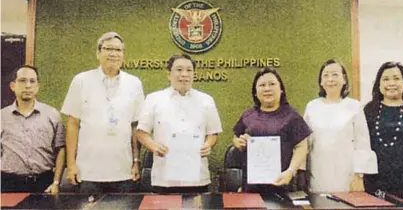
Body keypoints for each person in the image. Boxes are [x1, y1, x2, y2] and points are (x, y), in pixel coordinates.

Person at [61, 32, 144, 193]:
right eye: (108, 49)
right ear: (98, 53)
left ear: (123, 55)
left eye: (118, 50)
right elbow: (72, 124)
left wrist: (136, 161)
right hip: (88, 172)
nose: (114, 54)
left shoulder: (134, 83)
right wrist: (71, 165)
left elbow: (136, 126)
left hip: (124, 172)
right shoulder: (81, 81)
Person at [136, 54, 222, 193]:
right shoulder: (153, 99)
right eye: (179, 69)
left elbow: (213, 133)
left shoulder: (207, 100)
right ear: (169, 74)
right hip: (164, 178)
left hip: (197, 177)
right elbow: (141, 132)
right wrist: (154, 146)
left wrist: (208, 144)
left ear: (194, 74)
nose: (184, 74)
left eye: (189, 70)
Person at [303, 59, 378, 193]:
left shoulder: (354, 106)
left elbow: (363, 144)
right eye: (326, 75)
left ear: (344, 79)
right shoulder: (312, 107)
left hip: (347, 177)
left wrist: (359, 175)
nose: (330, 79)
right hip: (317, 175)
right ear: (320, 81)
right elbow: (305, 144)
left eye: (335, 74)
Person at [232, 67, 310, 193]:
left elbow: (302, 146)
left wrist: (291, 171)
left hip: (282, 185)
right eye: (262, 85)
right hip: (251, 188)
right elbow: (236, 137)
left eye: (272, 84)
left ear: (281, 89)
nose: (267, 88)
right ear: (255, 92)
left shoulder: (292, 116)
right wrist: (238, 143)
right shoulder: (248, 115)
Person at [1, 65, 65, 193]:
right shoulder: (2, 116)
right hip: (8, 183)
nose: (28, 86)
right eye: (22, 81)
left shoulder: (52, 115)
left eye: (32, 81)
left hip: (44, 182)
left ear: (37, 86)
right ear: (13, 86)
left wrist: (56, 182)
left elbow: (61, 150)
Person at [364, 62, 403, 195]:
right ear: (378, 84)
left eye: (396, 78)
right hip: (375, 184)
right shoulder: (369, 110)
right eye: (385, 79)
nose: (391, 83)